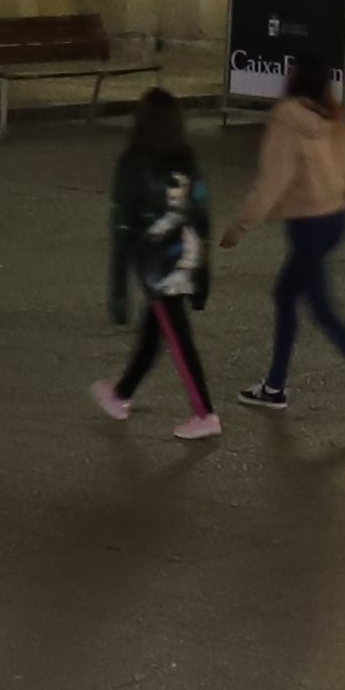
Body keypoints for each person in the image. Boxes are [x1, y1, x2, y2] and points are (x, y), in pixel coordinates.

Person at [217, 80, 345, 421]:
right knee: (285, 295)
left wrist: (241, 224)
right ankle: (275, 386)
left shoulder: (287, 116)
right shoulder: (331, 115)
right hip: (334, 219)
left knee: (322, 309)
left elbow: (274, 178)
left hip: (308, 223)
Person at [87, 90, 223, 441]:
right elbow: (202, 217)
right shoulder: (188, 159)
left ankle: (204, 412)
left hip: (159, 269)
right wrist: (203, 275)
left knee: (177, 338)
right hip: (187, 257)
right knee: (155, 332)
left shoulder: (132, 165)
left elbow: (121, 229)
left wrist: (118, 292)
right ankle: (121, 394)